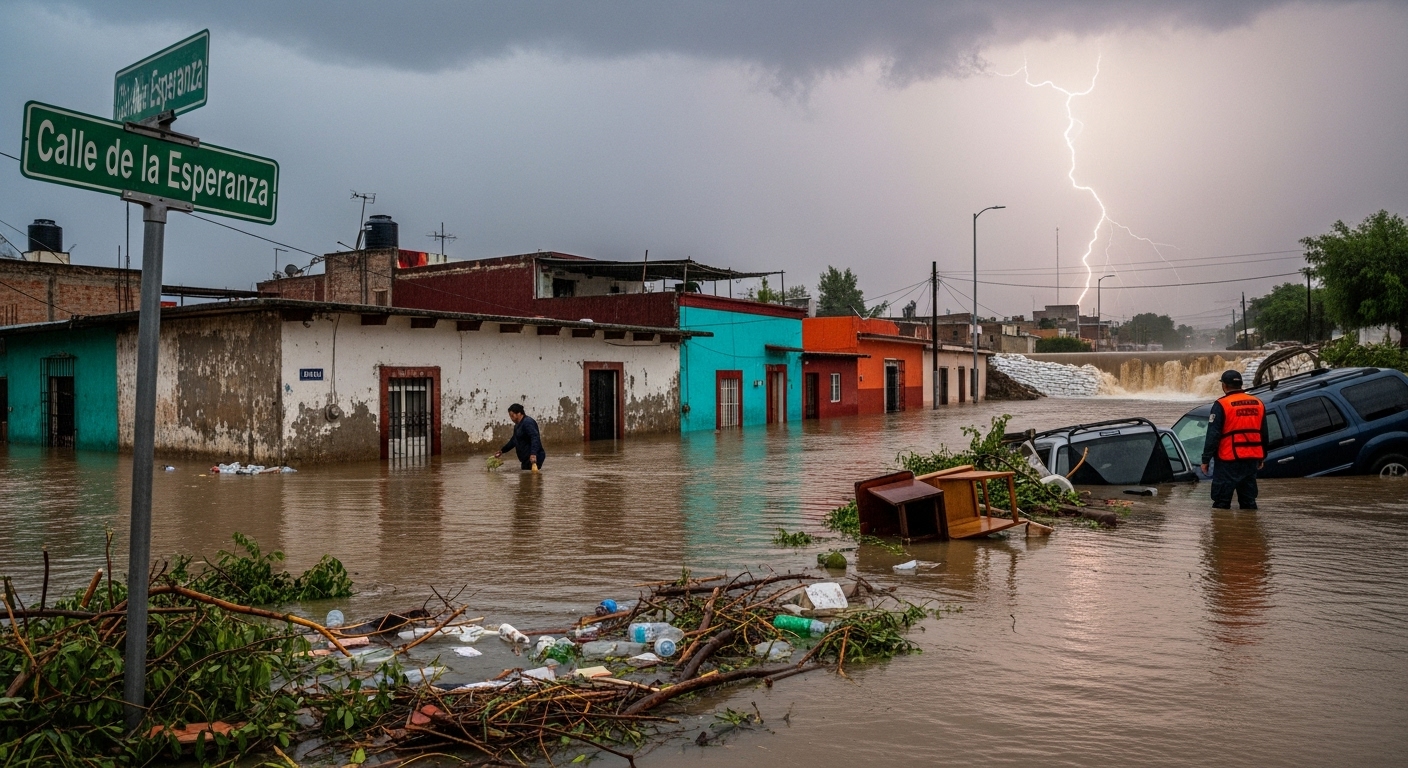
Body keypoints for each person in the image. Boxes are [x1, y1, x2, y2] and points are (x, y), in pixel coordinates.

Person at [1200, 370, 1268, 510]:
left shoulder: (1221, 405)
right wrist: (1262, 456)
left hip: (1228, 460)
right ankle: (1250, 530)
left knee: (1221, 504)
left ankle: (1222, 530)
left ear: (1224, 386)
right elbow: (1264, 434)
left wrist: (1205, 460)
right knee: (1249, 503)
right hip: (1251, 459)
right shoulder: (1258, 403)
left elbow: (1213, 435)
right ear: (1241, 384)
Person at [496, 403, 545, 471]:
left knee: (532, 479)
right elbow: (514, 441)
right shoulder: (517, 426)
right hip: (526, 459)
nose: (511, 418)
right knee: (526, 479)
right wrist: (502, 450)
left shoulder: (527, 422)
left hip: (533, 458)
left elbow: (535, 437)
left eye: (512, 416)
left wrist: (533, 454)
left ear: (519, 413)